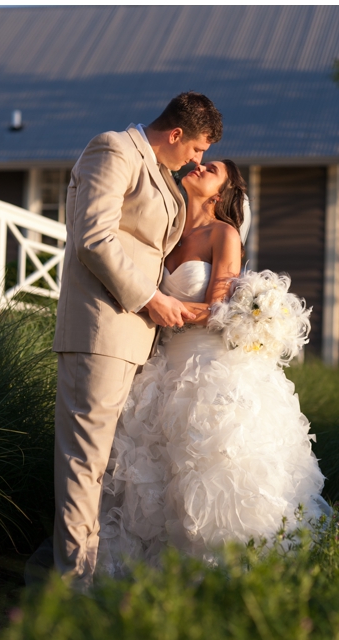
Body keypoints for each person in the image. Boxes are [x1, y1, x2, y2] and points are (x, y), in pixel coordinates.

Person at [96, 159, 330, 576]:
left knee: (210, 467)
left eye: (214, 168)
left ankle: (221, 577)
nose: (200, 165)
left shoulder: (224, 234)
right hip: (163, 366)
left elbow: (222, 309)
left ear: (222, 192)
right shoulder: (166, 234)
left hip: (208, 367)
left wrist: (168, 307)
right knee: (154, 475)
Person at [52, 92, 222, 589]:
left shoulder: (162, 176)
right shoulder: (113, 151)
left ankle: (93, 578)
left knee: (105, 464)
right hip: (100, 329)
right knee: (85, 462)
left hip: (134, 340)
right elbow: (94, 238)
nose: (197, 160)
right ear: (175, 135)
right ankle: (72, 592)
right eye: (195, 150)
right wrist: (151, 299)